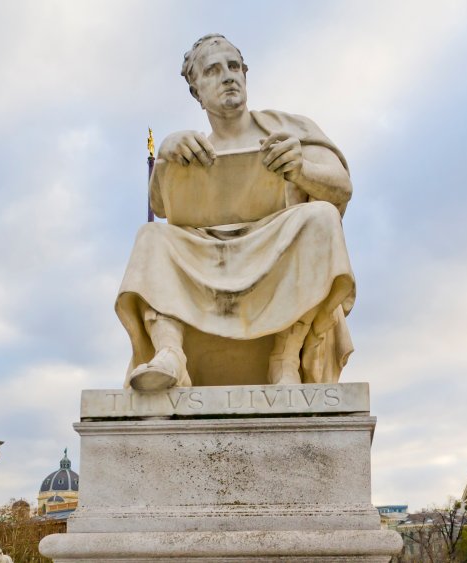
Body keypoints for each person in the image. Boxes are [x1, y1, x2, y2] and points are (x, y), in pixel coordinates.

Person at [116, 34, 355, 390]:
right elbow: (161, 207)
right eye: (213, 70)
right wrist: (166, 152)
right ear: (197, 91)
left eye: (234, 66)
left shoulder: (288, 129)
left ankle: (285, 357)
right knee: (151, 235)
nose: (228, 76)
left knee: (320, 217)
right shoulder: (192, 150)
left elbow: (341, 187)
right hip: (210, 256)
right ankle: (170, 354)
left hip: (279, 248)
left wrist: (301, 168)